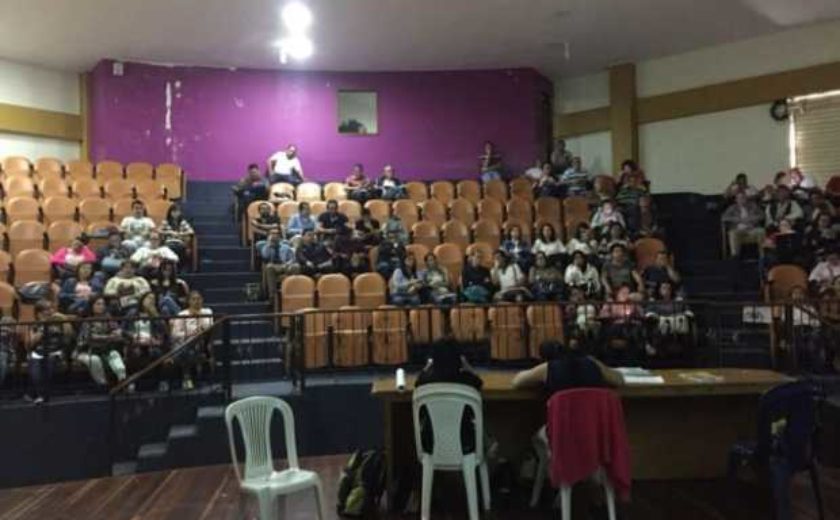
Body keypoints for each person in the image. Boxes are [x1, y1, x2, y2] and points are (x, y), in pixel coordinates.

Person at [416, 340, 484, 454]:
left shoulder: (426, 381)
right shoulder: (467, 380)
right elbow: (479, 382)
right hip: (465, 443)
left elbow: (417, 382)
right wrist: (468, 367)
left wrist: (427, 366)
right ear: (459, 360)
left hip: (431, 444)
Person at [512, 339, 624, 391]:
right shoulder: (592, 362)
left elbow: (517, 381)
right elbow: (619, 380)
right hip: (593, 424)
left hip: (561, 425)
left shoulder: (547, 368)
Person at [27, 300, 74, 403]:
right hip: (38, 353)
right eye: (47, 309)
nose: (50, 311)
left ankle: (40, 395)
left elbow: (69, 335)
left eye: (51, 309)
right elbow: (31, 343)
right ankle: (40, 395)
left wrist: (65, 320)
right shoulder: (34, 325)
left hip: (54, 352)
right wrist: (43, 326)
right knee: (35, 372)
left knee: (48, 364)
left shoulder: (58, 323)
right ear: (39, 313)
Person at [75, 295, 127, 387]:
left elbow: (117, 330)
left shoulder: (108, 318)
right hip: (86, 350)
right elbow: (89, 337)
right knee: (95, 360)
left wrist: (117, 332)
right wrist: (108, 337)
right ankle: (103, 385)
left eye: (103, 304)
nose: (101, 306)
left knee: (115, 354)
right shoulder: (87, 320)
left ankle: (123, 381)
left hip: (105, 349)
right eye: (98, 304)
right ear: (92, 306)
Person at [124, 292, 170, 391]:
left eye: (153, 299)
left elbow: (164, 331)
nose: (151, 301)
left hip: (152, 343)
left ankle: (162, 381)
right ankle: (132, 381)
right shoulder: (132, 313)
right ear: (142, 300)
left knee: (158, 353)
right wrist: (132, 336)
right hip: (135, 343)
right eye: (149, 298)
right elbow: (124, 329)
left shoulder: (157, 313)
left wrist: (155, 315)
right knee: (135, 353)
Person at [171, 291, 214, 390]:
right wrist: (189, 334)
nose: (196, 301)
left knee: (194, 341)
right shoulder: (182, 314)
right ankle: (188, 378)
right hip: (185, 343)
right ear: (188, 301)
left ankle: (187, 378)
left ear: (202, 300)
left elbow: (209, 327)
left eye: (199, 299)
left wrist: (199, 317)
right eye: (193, 299)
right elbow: (175, 334)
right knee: (188, 350)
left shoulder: (207, 312)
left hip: (202, 343)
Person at [722, 191, 766, 257]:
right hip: (738, 230)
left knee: (761, 231)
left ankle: (763, 256)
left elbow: (762, 215)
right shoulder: (732, 208)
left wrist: (750, 219)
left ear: (746, 199)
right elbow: (724, 218)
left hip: (752, 229)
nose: (741, 200)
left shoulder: (753, 206)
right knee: (732, 233)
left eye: (743, 198)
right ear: (736, 200)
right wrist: (739, 220)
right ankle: (735, 257)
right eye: (739, 198)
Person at [261, 229, 299, 302]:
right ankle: (272, 296)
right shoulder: (266, 247)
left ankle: (293, 292)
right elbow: (265, 256)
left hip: (285, 265)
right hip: (275, 266)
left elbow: (292, 258)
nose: (275, 236)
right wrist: (269, 245)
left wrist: (288, 263)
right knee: (269, 267)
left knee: (296, 266)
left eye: (276, 235)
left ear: (279, 237)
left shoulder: (286, 247)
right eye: (273, 234)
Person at [0, 315, 17, 388]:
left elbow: (12, 348)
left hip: (7, 354)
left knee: (2, 357)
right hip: (3, 353)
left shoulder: (13, 334)